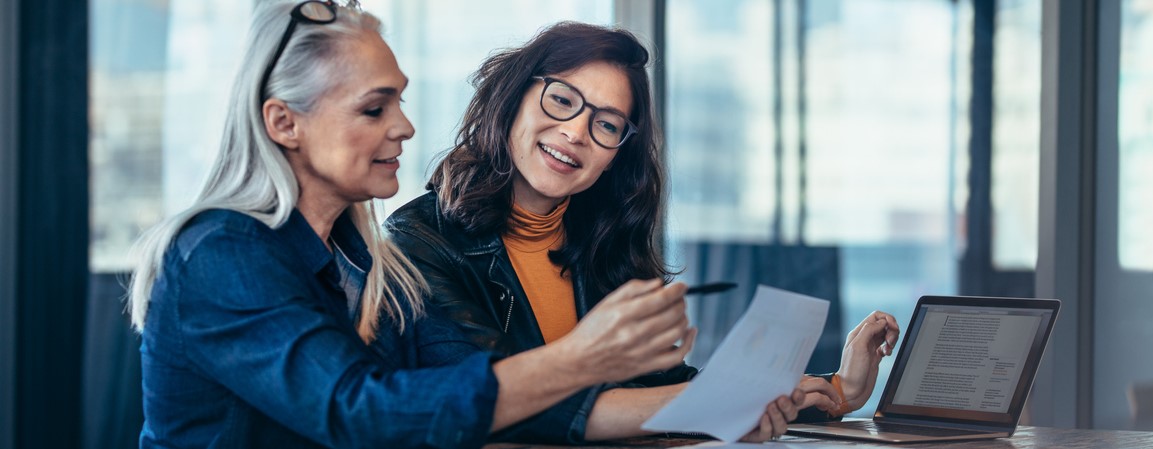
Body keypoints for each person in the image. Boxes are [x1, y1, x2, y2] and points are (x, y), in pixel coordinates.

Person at [127, 2, 740, 447]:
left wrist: (741, 400)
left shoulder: (366, 262)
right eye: (374, 108)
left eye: (399, 101)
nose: (405, 127)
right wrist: (579, 358)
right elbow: (359, 414)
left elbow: (471, 397)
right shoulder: (222, 251)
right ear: (284, 123)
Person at [384, 21, 901, 443]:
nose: (576, 132)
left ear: (615, 157)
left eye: (606, 125)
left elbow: (662, 388)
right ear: (514, 98)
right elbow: (500, 404)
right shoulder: (417, 242)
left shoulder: (600, 245)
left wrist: (840, 389)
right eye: (562, 100)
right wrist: (723, 404)